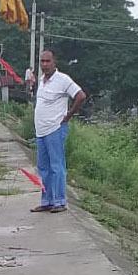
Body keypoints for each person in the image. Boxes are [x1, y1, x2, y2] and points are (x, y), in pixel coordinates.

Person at [30, 49, 87, 213]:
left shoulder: (63, 79)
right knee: (43, 168)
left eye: (48, 61)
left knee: (57, 166)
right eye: (42, 61)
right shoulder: (42, 80)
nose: (45, 64)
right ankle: (47, 200)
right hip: (40, 131)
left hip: (55, 129)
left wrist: (68, 115)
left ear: (54, 62)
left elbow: (80, 96)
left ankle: (60, 201)